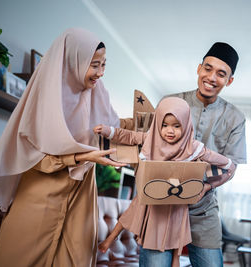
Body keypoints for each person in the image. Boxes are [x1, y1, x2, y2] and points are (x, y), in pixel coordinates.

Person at [0, 28, 125, 266]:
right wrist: (81, 156)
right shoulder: (43, 100)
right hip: (41, 197)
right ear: (74, 61)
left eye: (104, 65)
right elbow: (33, 158)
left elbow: (116, 129)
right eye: (94, 65)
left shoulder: (96, 95)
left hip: (81, 200)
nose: (100, 73)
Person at [93, 97, 236, 267]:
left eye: (177, 126)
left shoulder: (194, 147)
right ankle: (111, 237)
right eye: (164, 125)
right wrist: (109, 131)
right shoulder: (151, 139)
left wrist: (211, 183)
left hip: (177, 202)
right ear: (158, 124)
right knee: (135, 206)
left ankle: (173, 259)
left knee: (175, 241)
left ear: (186, 124)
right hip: (152, 198)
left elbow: (226, 165)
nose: (170, 131)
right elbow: (130, 137)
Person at [168, 42, 246, 267]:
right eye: (208, 69)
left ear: (229, 81)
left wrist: (206, 187)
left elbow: (232, 167)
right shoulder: (170, 102)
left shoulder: (236, 118)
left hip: (204, 209)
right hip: (161, 207)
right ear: (199, 68)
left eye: (221, 74)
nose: (212, 77)